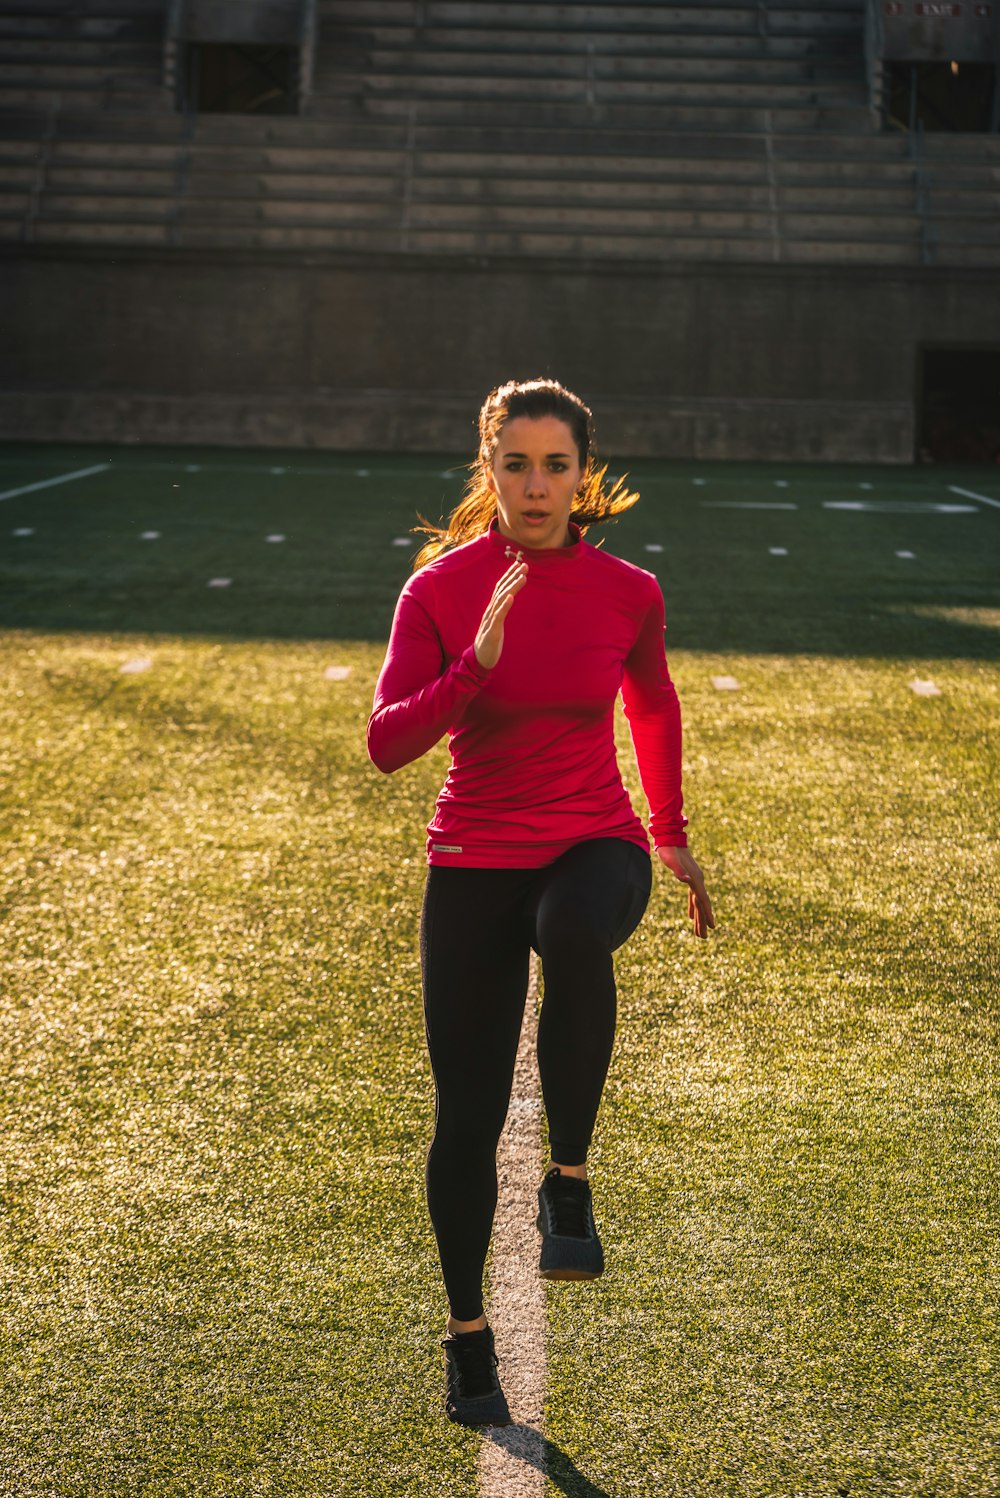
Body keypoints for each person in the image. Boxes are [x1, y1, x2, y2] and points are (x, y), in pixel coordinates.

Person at [367, 377, 713, 1428]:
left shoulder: (628, 590)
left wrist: (670, 831)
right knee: (464, 1120)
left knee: (574, 929)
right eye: (514, 463)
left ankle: (568, 1178)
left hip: (594, 843)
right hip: (472, 857)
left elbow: (651, 699)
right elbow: (388, 744)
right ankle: (468, 1339)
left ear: (582, 474)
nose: (535, 484)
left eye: (554, 464)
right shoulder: (438, 590)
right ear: (488, 470)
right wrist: (472, 667)